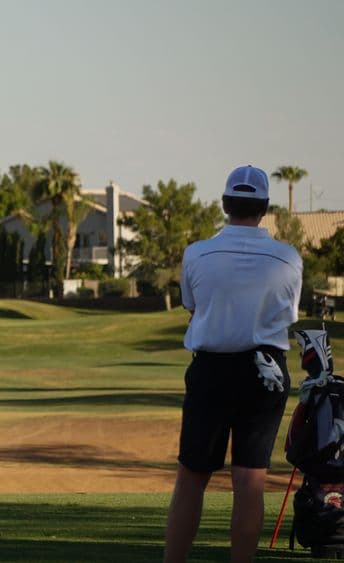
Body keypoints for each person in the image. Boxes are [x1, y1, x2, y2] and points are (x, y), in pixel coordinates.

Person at [164, 165, 302, 562]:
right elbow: (284, 313)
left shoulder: (196, 254)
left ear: (225, 204)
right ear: (264, 207)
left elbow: (194, 306)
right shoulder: (288, 258)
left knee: (192, 476)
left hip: (211, 370)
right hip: (266, 372)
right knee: (250, 480)